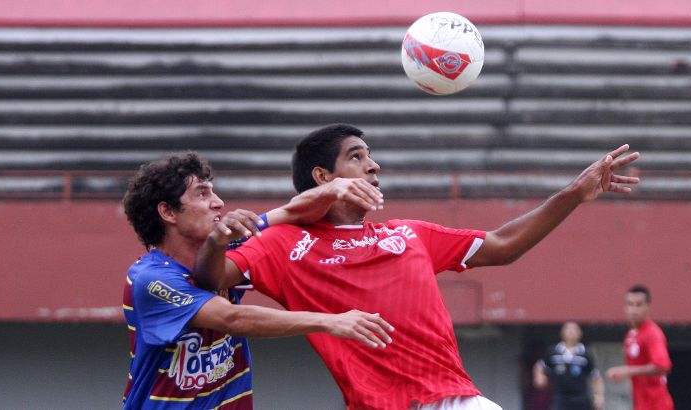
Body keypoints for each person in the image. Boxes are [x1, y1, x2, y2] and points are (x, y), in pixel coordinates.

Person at [193, 123, 641, 409]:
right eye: (357, 156)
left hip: (452, 398)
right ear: (322, 179)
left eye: (371, 155)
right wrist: (219, 238)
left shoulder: (407, 233)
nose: (374, 164)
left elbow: (503, 245)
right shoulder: (283, 243)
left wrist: (573, 195)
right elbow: (209, 281)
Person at [121, 151, 395, 409]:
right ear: (168, 212)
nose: (218, 202)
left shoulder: (226, 247)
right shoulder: (151, 280)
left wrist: (332, 189)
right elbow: (232, 319)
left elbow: (292, 212)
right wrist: (329, 320)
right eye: (202, 194)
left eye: (213, 191)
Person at [605, 285, 674, 410]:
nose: (634, 310)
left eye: (638, 305)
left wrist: (627, 371)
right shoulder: (631, 335)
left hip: (657, 405)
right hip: (641, 403)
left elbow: (663, 365)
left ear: (648, 307)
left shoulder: (652, 333)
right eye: (630, 304)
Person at [533, 321, 605, 410]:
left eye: (574, 329)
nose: (571, 332)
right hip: (560, 397)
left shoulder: (585, 354)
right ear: (562, 332)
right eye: (568, 329)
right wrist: (539, 377)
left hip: (581, 398)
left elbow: (596, 377)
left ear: (580, 333)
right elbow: (540, 366)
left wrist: (599, 396)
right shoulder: (553, 351)